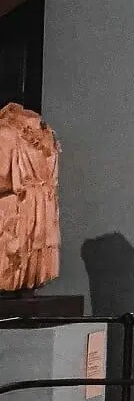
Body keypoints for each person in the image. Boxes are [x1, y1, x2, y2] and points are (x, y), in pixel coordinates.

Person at [0, 103, 61, 292]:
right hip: (41, 207)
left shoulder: (6, 133)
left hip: (16, 206)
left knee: (12, 255)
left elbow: (2, 177)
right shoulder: (46, 135)